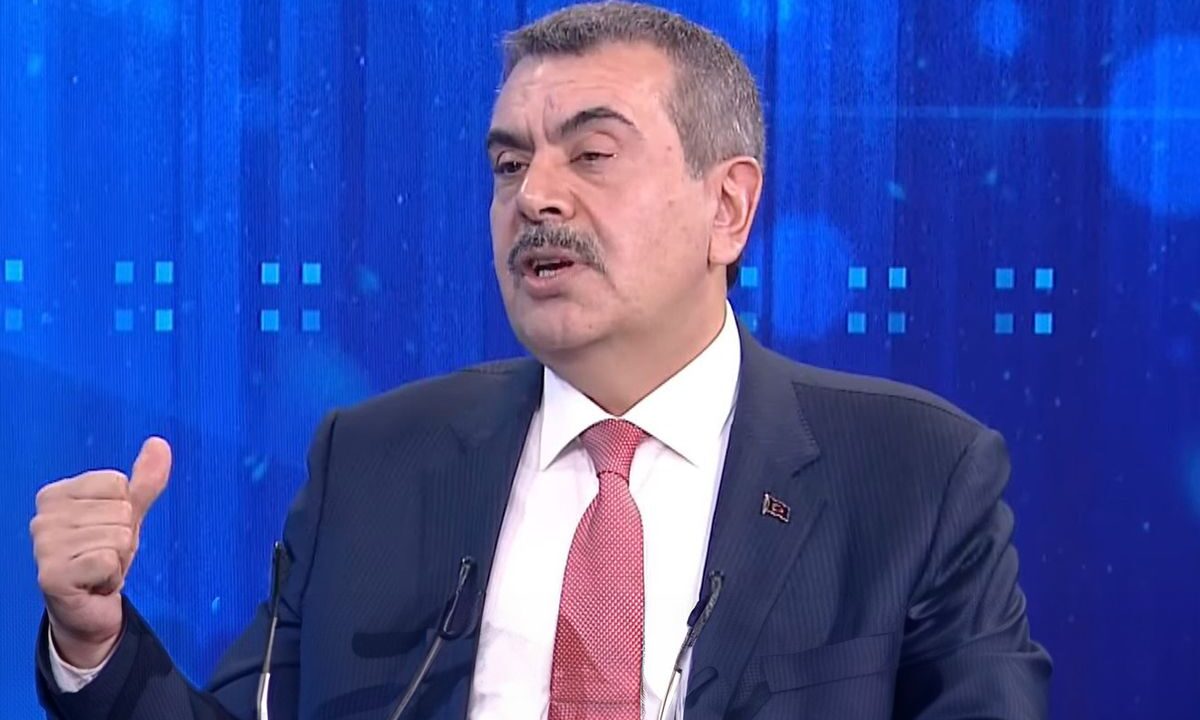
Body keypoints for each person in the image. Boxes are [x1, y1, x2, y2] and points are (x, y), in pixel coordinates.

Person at [29, 2, 1051, 718]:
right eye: (509, 162)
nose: (536, 197)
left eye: (591, 155)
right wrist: (93, 641)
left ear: (728, 207)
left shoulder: (913, 474)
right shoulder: (375, 461)